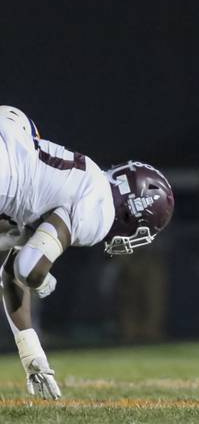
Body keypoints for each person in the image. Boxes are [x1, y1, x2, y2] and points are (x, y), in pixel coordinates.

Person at [0, 105, 174, 400]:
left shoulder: (79, 179)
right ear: (133, 215)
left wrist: (32, 355)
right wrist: (42, 281)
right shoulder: (100, 213)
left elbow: (9, 273)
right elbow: (27, 270)